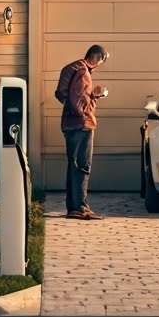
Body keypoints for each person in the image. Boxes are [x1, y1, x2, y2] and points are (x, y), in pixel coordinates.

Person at [60, 44, 109, 219]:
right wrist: (94, 98)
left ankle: (73, 207)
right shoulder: (83, 72)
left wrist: (92, 97)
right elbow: (78, 101)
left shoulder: (75, 68)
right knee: (83, 165)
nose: (101, 63)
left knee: (73, 165)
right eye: (102, 59)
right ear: (96, 56)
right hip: (82, 124)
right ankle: (80, 207)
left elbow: (64, 95)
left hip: (70, 124)